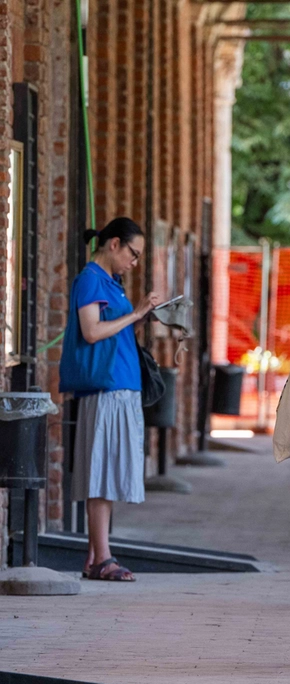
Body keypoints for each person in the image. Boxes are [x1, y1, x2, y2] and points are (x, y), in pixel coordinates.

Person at [61, 218, 160, 583]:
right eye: (133, 254)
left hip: (120, 385)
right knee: (101, 472)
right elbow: (90, 332)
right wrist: (135, 313)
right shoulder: (91, 279)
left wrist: (140, 316)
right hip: (104, 388)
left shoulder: (114, 285)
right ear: (114, 244)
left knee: (109, 470)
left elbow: (113, 332)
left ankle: (95, 555)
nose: (134, 263)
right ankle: (102, 557)